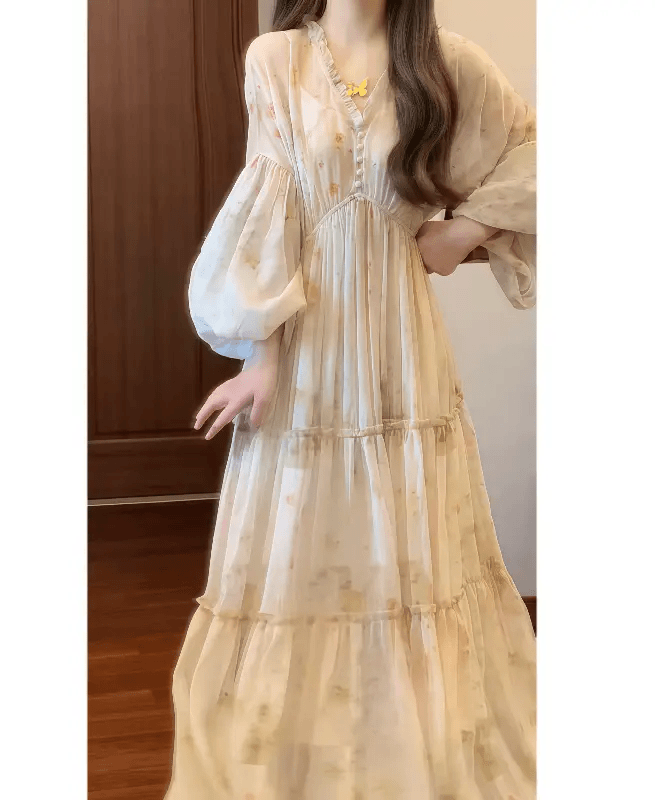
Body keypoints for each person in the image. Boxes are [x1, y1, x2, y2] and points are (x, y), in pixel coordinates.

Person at [165, 1, 536, 797]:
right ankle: (305, 744)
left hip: (404, 351)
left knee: (407, 546)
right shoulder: (276, 61)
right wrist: (262, 354)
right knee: (303, 540)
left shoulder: (443, 63)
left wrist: (464, 229)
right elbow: (273, 212)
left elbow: (533, 155)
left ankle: (408, 738)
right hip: (310, 346)